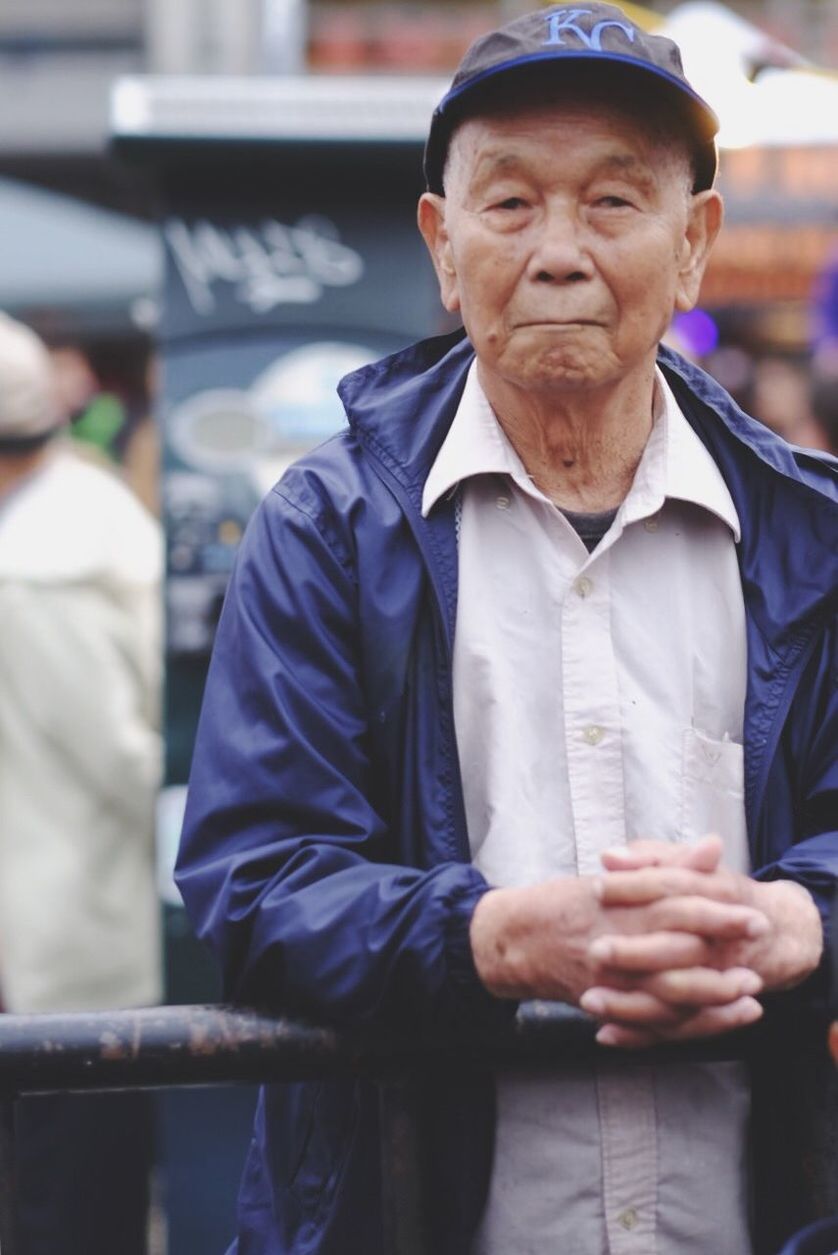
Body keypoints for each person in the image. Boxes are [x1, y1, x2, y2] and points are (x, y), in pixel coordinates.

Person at [176, 6, 838, 1254]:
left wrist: (798, 918)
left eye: (611, 202)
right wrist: (494, 940)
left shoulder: (814, 539)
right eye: (511, 203)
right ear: (442, 243)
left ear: (693, 243)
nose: (557, 252)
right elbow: (254, 887)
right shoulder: (327, 528)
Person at [0, 312, 163, 1254]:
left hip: (70, 950)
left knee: (68, 1207)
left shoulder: (33, 574)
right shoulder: (80, 502)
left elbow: (120, 760)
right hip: (89, 937)